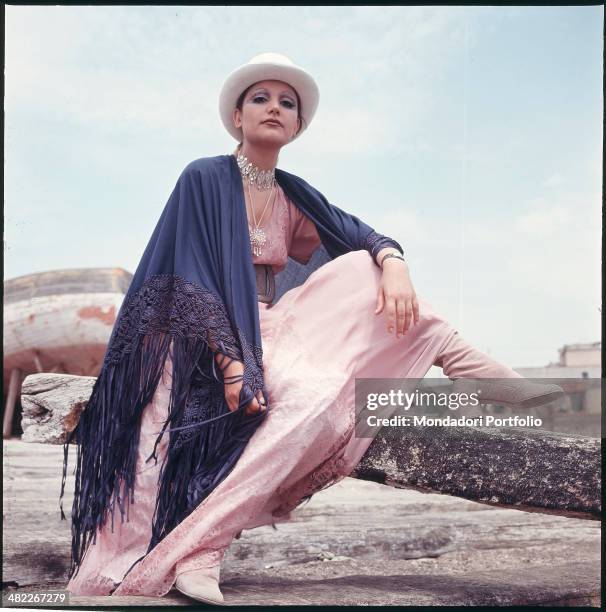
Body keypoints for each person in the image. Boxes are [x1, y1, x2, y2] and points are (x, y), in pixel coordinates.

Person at [61, 52, 563, 604]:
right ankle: (200, 549)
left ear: (298, 125)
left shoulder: (294, 193)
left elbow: (363, 234)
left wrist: (393, 265)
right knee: (301, 399)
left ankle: (490, 379)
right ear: (237, 117)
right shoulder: (204, 176)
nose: (275, 108)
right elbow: (190, 272)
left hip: (266, 326)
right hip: (193, 335)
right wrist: (231, 363)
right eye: (261, 98)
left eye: (287, 103)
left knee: (361, 269)